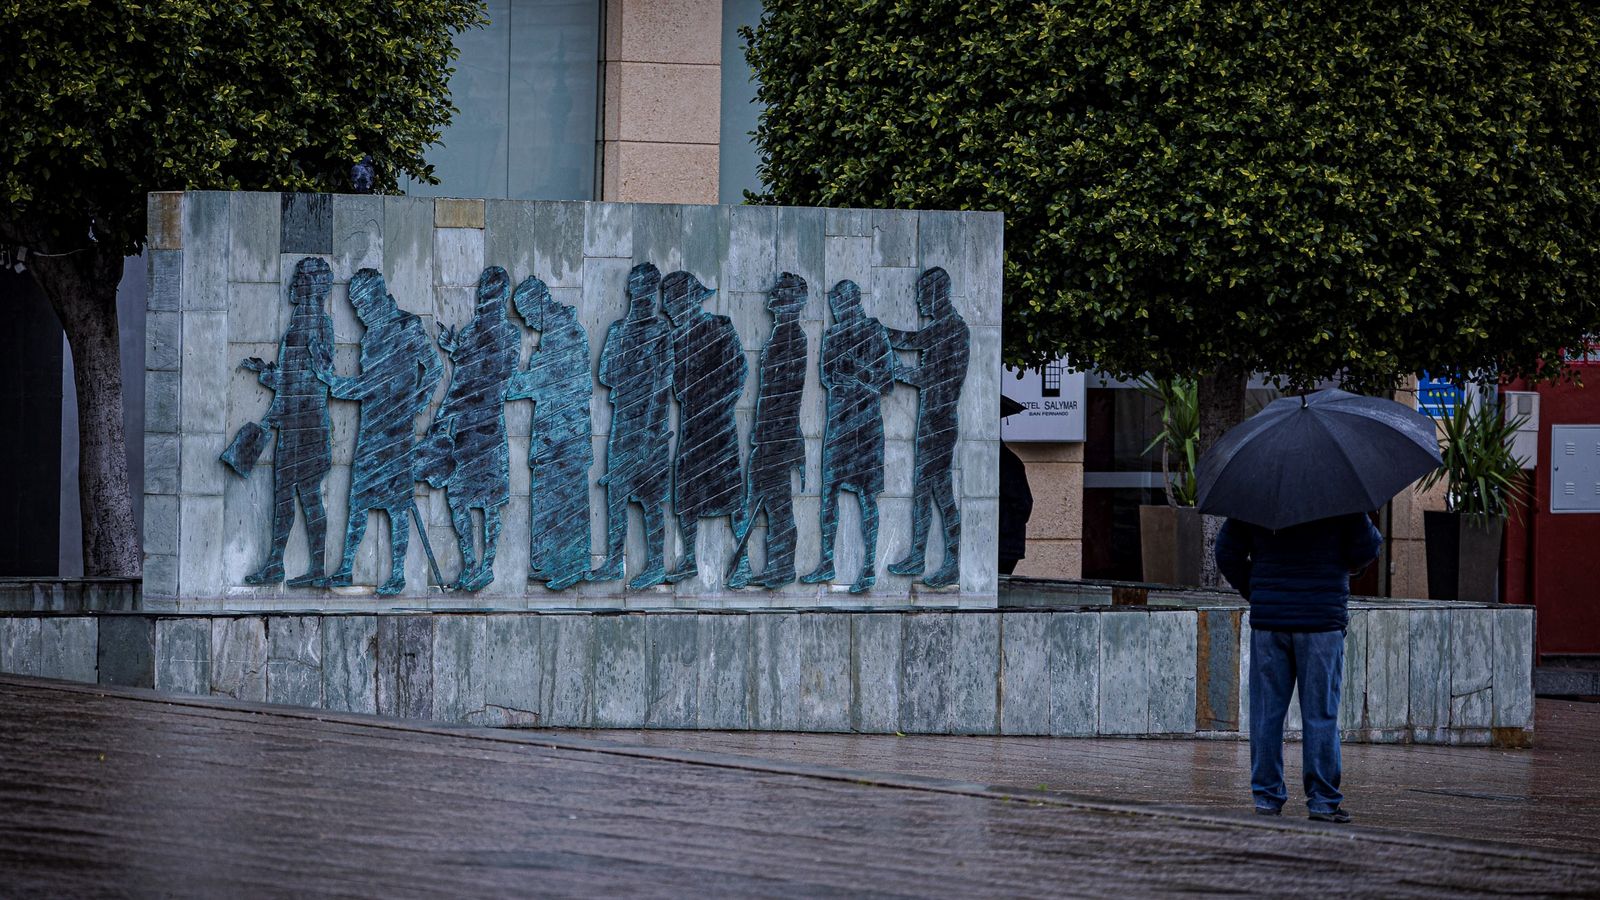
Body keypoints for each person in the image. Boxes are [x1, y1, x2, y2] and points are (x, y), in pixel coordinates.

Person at [1214, 512, 1382, 823]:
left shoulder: (1258, 493)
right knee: (1320, 714)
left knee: (1266, 714)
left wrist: (1257, 590)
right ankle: (1322, 801)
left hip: (1270, 622)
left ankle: (1266, 798)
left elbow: (1226, 551)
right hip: (1321, 621)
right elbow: (1368, 548)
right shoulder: (1340, 496)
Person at [312, 268, 442, 595]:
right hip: (372, 429)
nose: (360, 312)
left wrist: (415, 403)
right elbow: (369, 387)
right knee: (359, 501)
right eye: (355, 306)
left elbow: (434, 369)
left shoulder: (407, 326)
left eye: (363, 303)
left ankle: (397, 574)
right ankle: (344, 569)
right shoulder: (370, 336)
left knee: (398, 506)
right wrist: (333, 382)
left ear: (379, 295)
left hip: (397, 433)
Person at [237, 257, 335, 587]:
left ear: (310, 285)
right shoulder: (300, 322)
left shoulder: (315, 323)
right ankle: (282, 565)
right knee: (291, 497)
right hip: (296, 424)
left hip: (306, 425)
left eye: (301, 277)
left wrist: (276, 401)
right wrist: (265, 372)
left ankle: (311, 568)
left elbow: (313, 380)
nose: (294, 282)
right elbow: (295, 378)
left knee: (305, 496)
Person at [423, 266, 520, 592]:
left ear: (501, 297)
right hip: (464, 430)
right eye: (483, 295)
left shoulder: (509, 335)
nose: (485, 301)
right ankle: (469, 564)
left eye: (491, 295)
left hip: (488, 427)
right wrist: (457, 350)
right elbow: (460, 381)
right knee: (458, 499)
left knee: (491, 502)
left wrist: (463, 354)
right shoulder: (470, 332)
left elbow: (496, 381)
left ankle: (488, 565)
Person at [801, 280, 896, 594]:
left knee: (868, 497)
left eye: (841, 303)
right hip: (838, 425)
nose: (837, 309)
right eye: (834, 304)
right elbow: (828, 377)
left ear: (855, 301)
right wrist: (847, 377)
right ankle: (827, 561)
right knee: (829, 494)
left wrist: (858, 372)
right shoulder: (832, 335)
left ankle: (868, 567)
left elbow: (886, 383)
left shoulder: (875, 332)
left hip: (867, 427)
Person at [505, 275, 593, 591]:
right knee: (549, 499)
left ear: (540, 302)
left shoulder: (568, 334)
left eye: (527, 312)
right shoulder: (553, 335)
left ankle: (572, 566)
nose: (527, 321)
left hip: (567, 437)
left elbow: (544, 382)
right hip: (550, 436)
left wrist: (504, 383)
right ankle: (552, 562)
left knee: (569, 501)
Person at [589, 263, 674, 590]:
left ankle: (655, 564)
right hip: (624, 423)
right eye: (637, 289)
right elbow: (606, 374)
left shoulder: (660, 331)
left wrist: (651, 430)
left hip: (651, 427)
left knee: (653, 500)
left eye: (645, 289)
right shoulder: (618, 330)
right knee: (617, 495)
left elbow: (664, 381)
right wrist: (636, 374)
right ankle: (613, 561)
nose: (641, 296)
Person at [885, 267, 970, 587]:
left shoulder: (953, 330)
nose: (920, 301)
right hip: (930, 421)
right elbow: (912, 340)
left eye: (923, 294)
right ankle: (918, 555)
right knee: (922, 491)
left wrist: (898, 372)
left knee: (942, 493)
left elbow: (933, 376)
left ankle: (952, 563)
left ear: (938, 293)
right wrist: (879, 331)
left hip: (941, 422)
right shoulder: (940, 328)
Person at [660, 270, 746, 584]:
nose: (667, 308)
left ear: (687, 300)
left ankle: (744, 560)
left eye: (671, 301)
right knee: (685, 491)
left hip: (719, 423)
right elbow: (674, 382)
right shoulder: (673, 339)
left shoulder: (720, 327)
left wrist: (716, 400)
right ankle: (689, 561)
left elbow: (739, 370)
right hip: (692, 422)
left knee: (732, 492)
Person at [728, 272, 809, 590]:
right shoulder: (780, 337)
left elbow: (787, 397)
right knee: (759, 502)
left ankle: (782, 566)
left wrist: (783, 443)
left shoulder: (792, 339)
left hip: (778, 437)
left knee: (777, 505)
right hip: (768, 437)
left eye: (781, 294)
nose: (773, 298)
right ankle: (764, 564)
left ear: (793, 302)